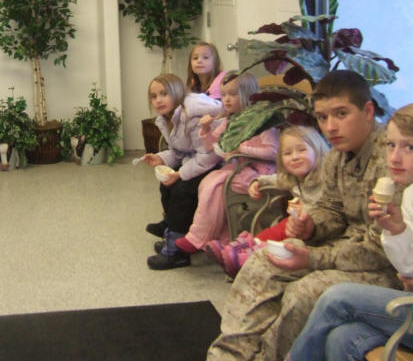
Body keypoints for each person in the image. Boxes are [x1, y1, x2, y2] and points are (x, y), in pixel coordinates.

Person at [164, 70, 399, 361]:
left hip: (385, 269)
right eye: (323, 118)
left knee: (306, 290)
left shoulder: (392, 159)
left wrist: (312, 256)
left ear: (368, 111)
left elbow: (381, 250)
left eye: (341, 114)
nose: (330, 127)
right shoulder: (337, 156)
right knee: (263, 260)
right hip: (343, 250)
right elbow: (331, 209)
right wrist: (310, 227)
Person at [229, 101, 413, 361]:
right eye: (391, 145)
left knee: (338, 298)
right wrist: (397, 231)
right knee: (343, 338)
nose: (395, 157)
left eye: (409, 147)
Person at [174, 72, 278, 255]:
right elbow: (213, 146)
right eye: (223, 95)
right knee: (207, 183)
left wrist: (242, 149)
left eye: (233, 94)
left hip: (260, 172)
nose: (227, 99)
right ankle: (221, 240)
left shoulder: (262, 121)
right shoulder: (232, 120)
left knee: (215, 185)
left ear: (249, 94)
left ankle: (197, 238)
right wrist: (205, 129)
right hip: (239, 169)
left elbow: (274, 152)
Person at [207, 125, 330, 277]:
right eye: (288, 153)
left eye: (302, 150)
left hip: (319, 229)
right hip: (299, 225)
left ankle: (250, 253)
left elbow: (329, 210)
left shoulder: (325, 178)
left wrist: (304, 211)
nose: (295, 157)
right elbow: (276, 179)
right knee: (279, 227)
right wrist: (257, 182)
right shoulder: (293, 178)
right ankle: (243, 249)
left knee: (284, 227)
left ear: (317, 150)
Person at [141, 73, 222, 270]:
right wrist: (161, 158)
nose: (158, 100)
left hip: (215, 162)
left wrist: (180, 174)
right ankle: (173, 230)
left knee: (182, 190)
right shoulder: (168, 118)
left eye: (164, 94)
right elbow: (179, 151)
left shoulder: (192, 116)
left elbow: (209, 155)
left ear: (177, 93)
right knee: (166, 185)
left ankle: (177, 252)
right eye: (154, 96)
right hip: (197, 160)